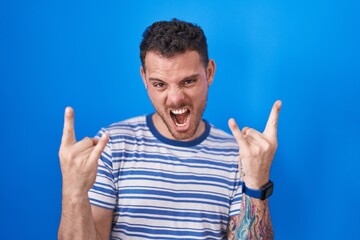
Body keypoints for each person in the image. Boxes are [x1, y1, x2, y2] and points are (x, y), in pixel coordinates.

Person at [58, 19, 281, 240]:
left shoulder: (238, 156)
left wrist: (256, 182)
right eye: (160, 84)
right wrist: (73, 192)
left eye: (188, 81)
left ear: (210, 72)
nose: (175, 99)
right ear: (144, 78)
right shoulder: (112, 146)